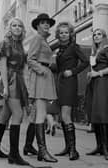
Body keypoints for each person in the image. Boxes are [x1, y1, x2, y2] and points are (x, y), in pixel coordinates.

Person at [0, 17, 29, 166]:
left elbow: (23, 68)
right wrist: (5, 87)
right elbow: (3, 67)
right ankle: (13, 155)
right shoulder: (5, 43)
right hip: (10, 81)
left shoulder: (19, 45)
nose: (17, 27)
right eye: (14, 25)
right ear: (9, 28)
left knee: (5, 116)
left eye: (19, 25)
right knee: (18, 114)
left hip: (18, 80)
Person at [54, 22, 89, 160]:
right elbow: (58, 67)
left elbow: (85, 62)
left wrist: (73, 71)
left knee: (66, 115)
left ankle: (73, 150)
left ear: (70, 34)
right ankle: (67, 147)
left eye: (66, 32)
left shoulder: (74, 47)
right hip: (61, 83)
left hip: (69, 82)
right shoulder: (60, 49)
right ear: (58, 34)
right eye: (61, 32)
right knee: (63, 116)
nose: (63, 34)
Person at [27, 13, 58, 163]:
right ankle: (43, 151)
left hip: (45, 77)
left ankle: (41, 151)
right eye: (43, 23)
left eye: (48, 23)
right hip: (40, 77)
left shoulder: (44, 40)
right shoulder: (38, 38)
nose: (46, 25)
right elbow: (30, 59)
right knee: (41, 114)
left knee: (42, 113)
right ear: (37, 25)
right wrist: (42, 70)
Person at [85, 28, 108, 160]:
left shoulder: (106, 48)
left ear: (104, 36)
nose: (96, 36)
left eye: (99, 34)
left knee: (102, 114)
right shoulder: (95, 51)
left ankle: (106, 147)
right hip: (94, 84)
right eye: (94, 35)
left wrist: (98, 73)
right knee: (95, 114)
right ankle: (99, 146)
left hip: (103, 82)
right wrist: (91, 74)